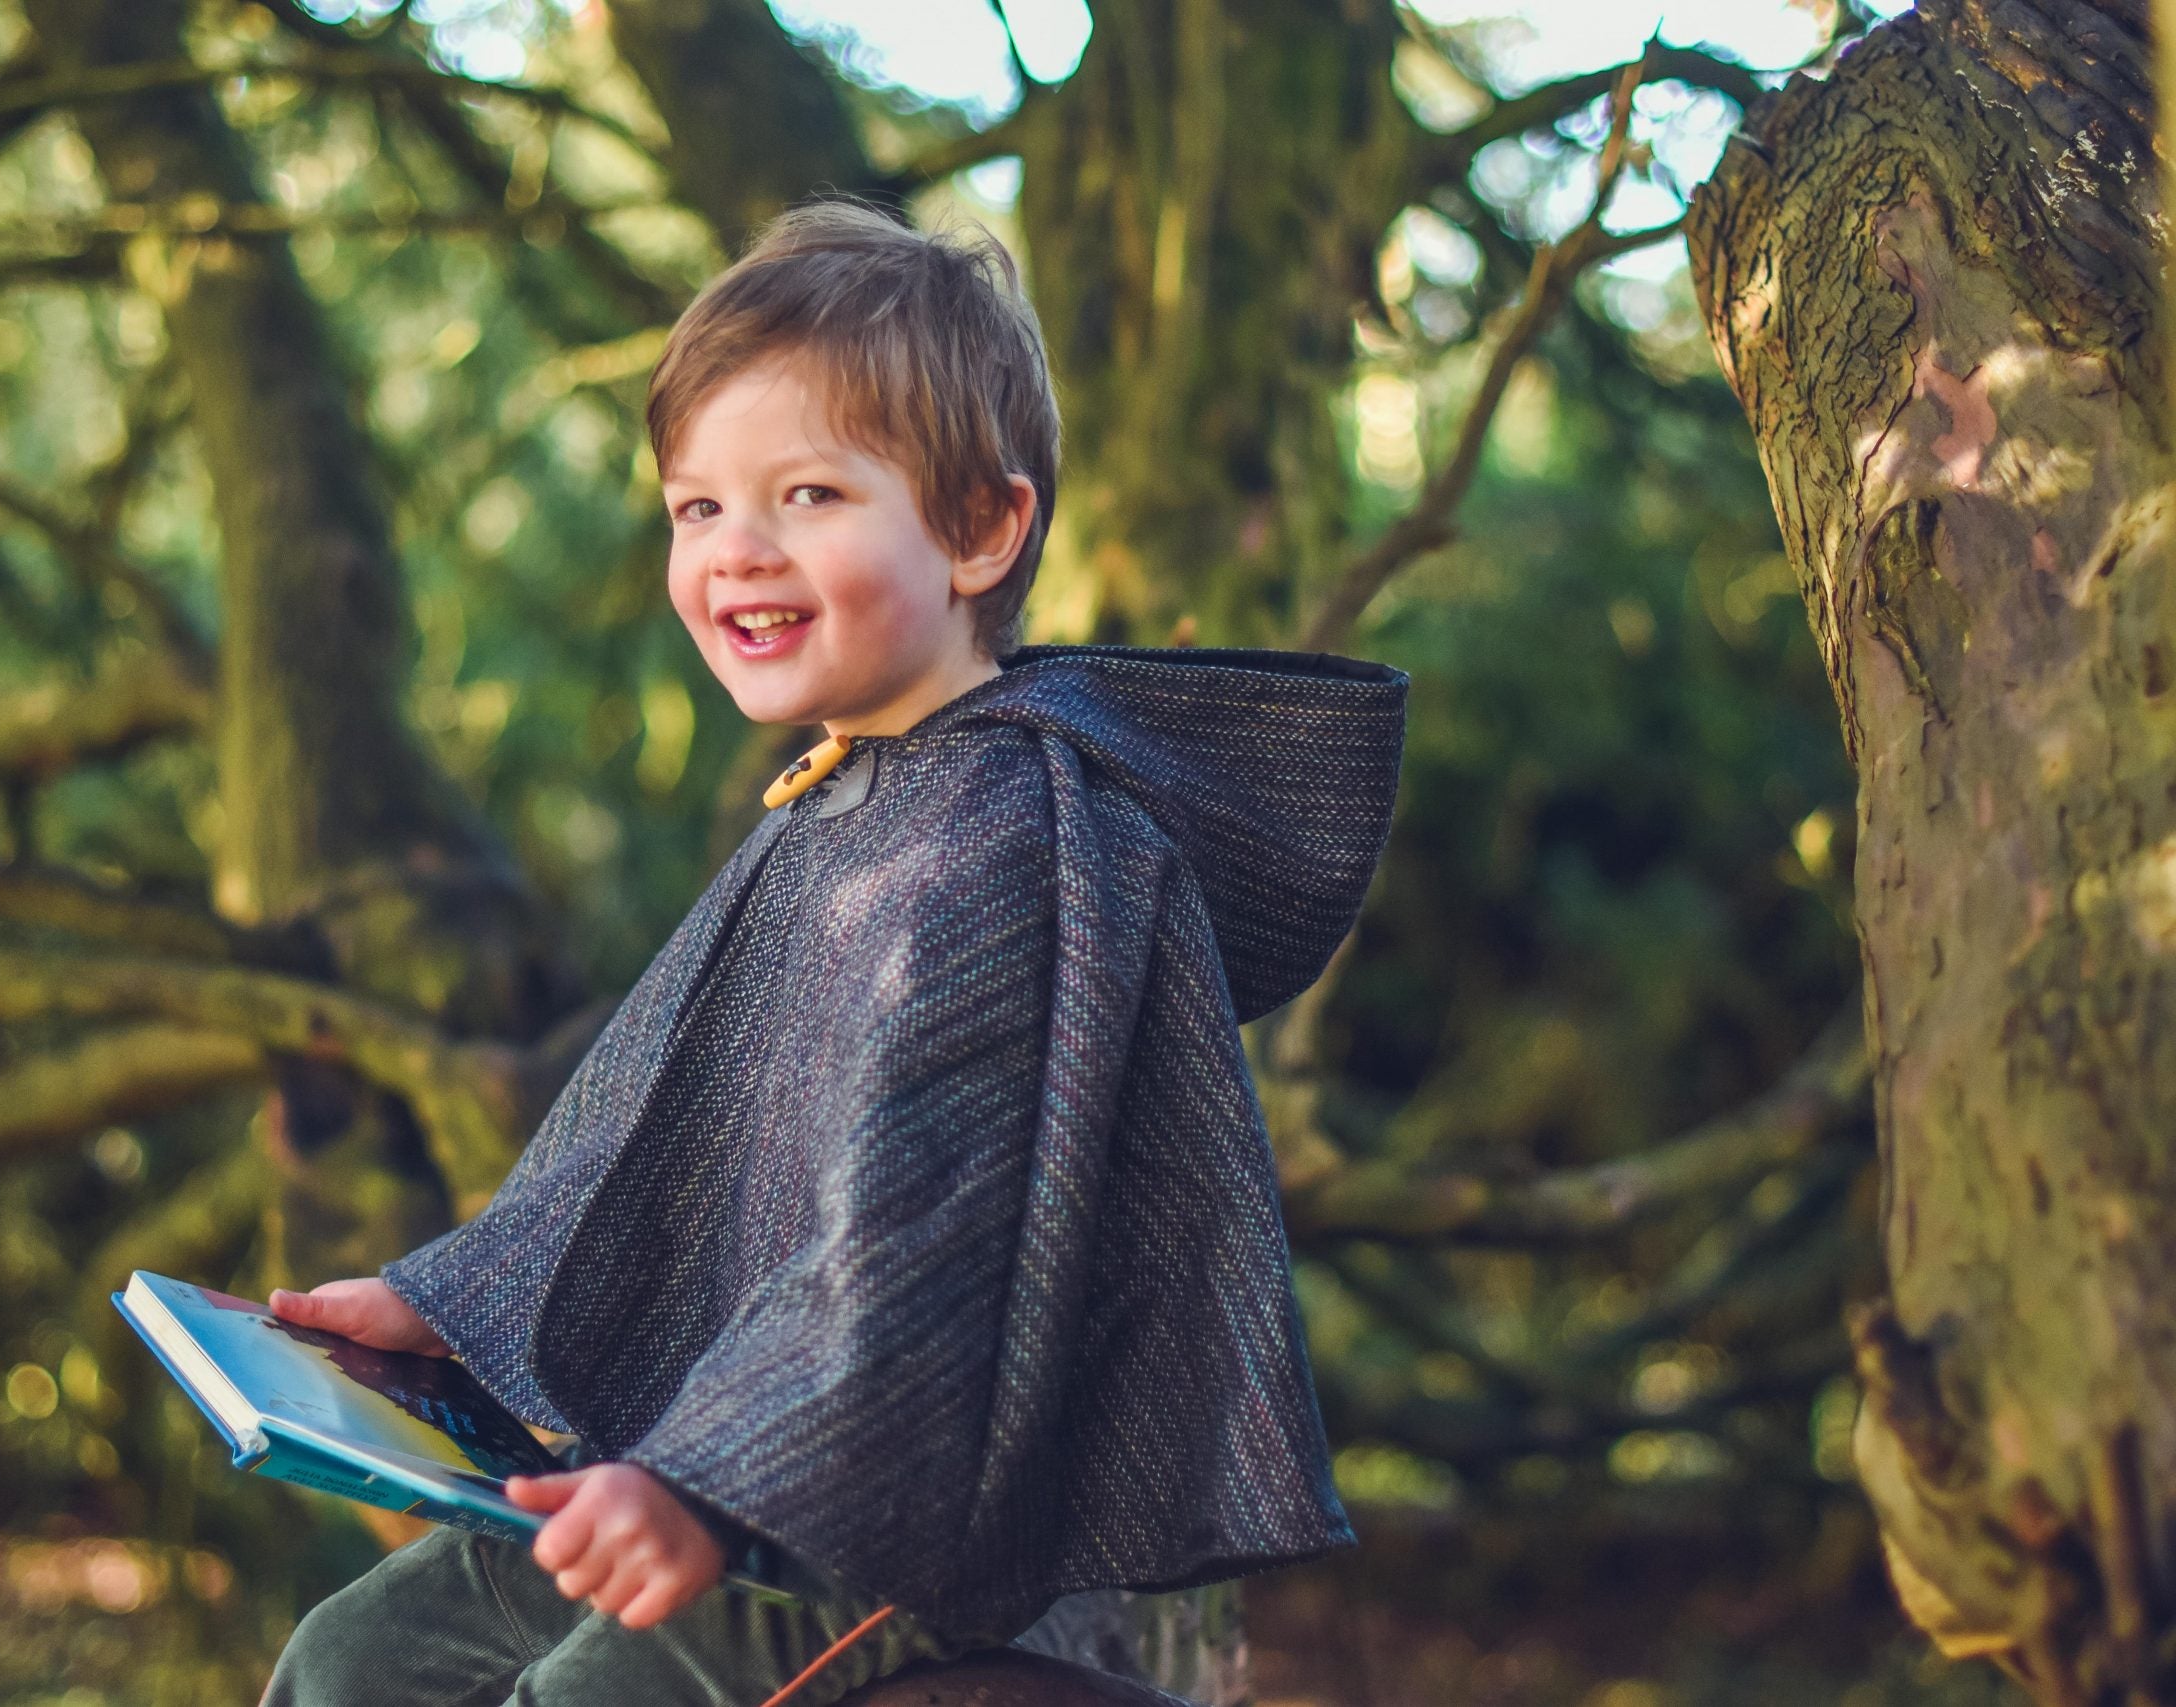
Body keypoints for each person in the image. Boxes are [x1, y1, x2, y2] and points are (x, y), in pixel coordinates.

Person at [257, 194, 1409, 1707]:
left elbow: (924, 1244)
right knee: (355, 1663)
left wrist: (709, 1486)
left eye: (806, 496)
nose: (737, 553)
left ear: (982, 529)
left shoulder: (1007, 835)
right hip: (717, 1455)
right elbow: (658, 1136)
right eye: (697, 508)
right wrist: (450, 1306)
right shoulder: (841, 796)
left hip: (903, 1525)